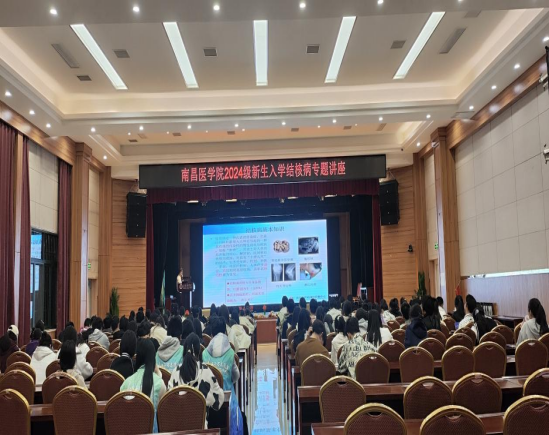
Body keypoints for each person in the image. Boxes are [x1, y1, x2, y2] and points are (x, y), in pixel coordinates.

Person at [201, 316, 243, 435]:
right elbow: (236, 376)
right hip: (227, 402)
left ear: (212, 334)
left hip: (208, 403)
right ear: (225, 332)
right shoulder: (230, 352)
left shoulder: (204, 353)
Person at [168, 332, 224, 416]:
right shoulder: (206, 371)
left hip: (178, 421)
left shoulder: (175, 371)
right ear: (199, 351)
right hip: (201, 423)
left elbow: (169, 402)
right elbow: (218, 402)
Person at [121, 339, 166, 433]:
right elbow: (162, 415)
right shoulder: (159, 383)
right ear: (153, 358)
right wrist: (158, 373)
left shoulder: (126, 382)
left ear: (137, 357)